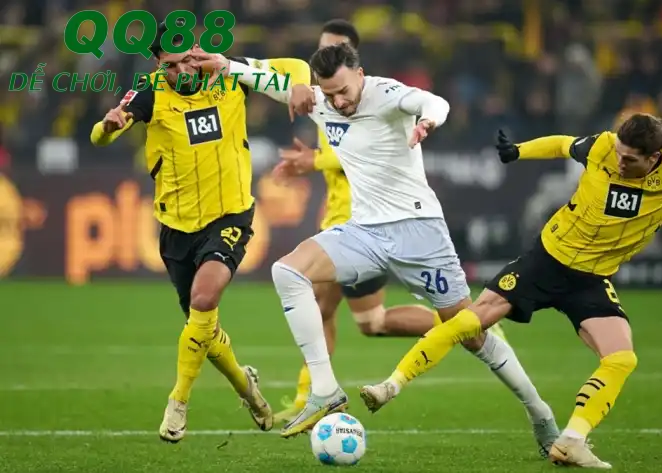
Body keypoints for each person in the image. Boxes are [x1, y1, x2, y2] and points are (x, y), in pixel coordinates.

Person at [359, 113, 662, 468]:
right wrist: (518, 151)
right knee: (471, 321)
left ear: (655, 158)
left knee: (622, 357)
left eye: (630, 159)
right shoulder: (602, 147)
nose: (619, 161)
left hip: (591, 279)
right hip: (547, 259)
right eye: (618, 152)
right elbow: (562, 144)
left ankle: (572, 440)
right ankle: (390, 385)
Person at [193, 43, 560, 453]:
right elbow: (271, 81)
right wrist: (225, 65)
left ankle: (540, 414)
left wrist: (427, 121)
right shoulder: (322, 101)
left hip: (421, 234)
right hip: (365, 232)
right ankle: (325, 391)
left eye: (344, 91)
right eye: (329, 93)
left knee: (473, 334)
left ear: (360, 75)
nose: (338, 101)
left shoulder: (386, 94)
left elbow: (434, 102)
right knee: (288, 271)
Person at [271, 19, 508, 425]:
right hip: (344, 220)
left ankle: (311, 394)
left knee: (325, 305)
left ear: (353, 58)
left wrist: (316, 160)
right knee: (370, 321)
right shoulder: (325, 97)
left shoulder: (374, 99)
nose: (325, 56)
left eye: (334, 47)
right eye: (321, 49)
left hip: (367, 221)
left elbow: (366, 150)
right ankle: (463, 323)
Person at [89, 19, 313, 443]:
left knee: (204, 298)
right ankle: (246, 386)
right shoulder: (150, 91)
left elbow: (296, 66)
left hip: (230, 215)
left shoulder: (229, 72)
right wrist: (109, 126)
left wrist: (299, 86)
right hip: (177, 225)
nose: (181, 72)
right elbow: (99, 137)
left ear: (196, 50)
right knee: (203, 329)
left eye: (186, 61)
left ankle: (178, 401)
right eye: (170, 66)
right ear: (158, 64)